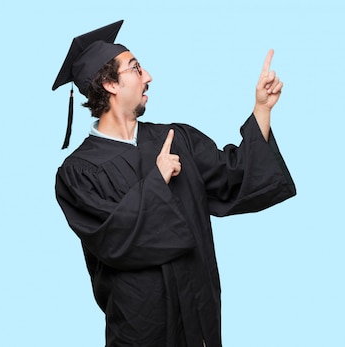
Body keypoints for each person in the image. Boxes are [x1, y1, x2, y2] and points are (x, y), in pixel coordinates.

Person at [52, 20, 296, 347]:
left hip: (198, 314)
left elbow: (233, 176)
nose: (148, 76)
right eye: (136, 69)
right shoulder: (79, 172)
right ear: (110, 84)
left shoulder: (175, 137)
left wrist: (262, 110)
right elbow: (114, 241)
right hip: (141, 327)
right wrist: (157, 179)